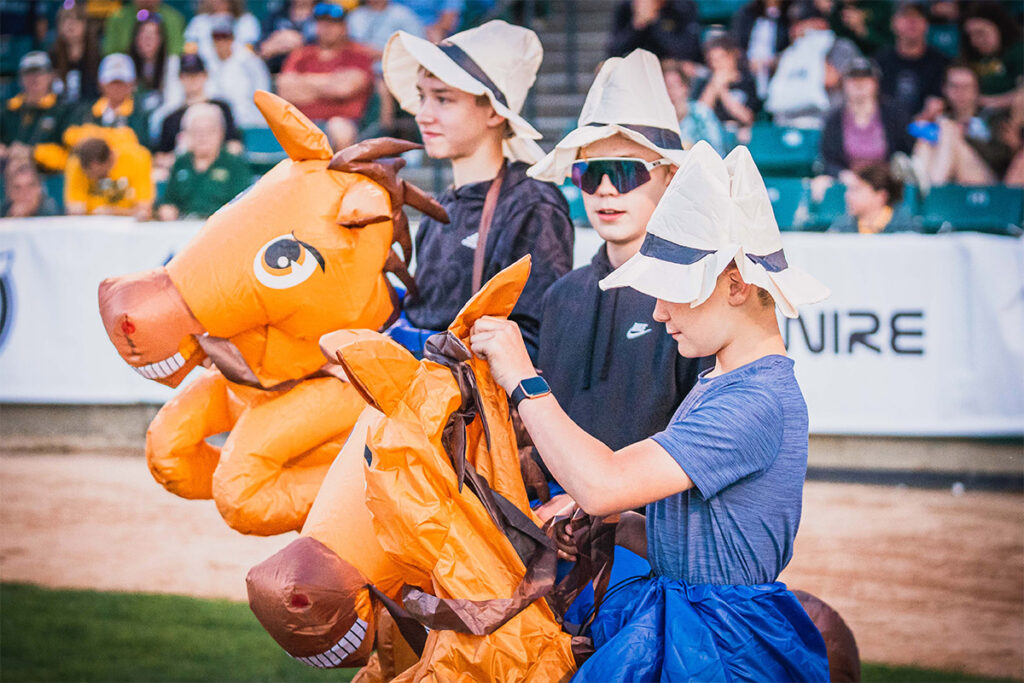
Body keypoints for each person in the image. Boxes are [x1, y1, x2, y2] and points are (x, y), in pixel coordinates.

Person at [468, 140, 831, 682]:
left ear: (735, 285)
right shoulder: (722, 381)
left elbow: (604, 482)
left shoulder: (753, 400)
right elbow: (704, 535)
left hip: (720, 649)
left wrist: (523, 377)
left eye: (673, 292)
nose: (658, 312)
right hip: (701, 627)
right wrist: (618, 526)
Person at [529, 48, 706, 478]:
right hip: (554, 525)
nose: (606, 189)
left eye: (627, 172)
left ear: (670, 177)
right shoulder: (561, 296)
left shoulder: (698, 294)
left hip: (649, 532)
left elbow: (695, 449)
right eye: (590, 172)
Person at [381, 20, 574, 359]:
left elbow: (535, 341)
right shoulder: (440, 205)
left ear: (494, 114)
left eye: (443, 99)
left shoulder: (532, 205)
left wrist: (410, 348)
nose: (423, 115)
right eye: (422, 97)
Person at [277, 3, 374, 150]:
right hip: (303, 121)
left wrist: (304, 84)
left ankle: (340, 173)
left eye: (333, 24)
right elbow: (284, 89)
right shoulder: (302, 54)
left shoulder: (357, 53)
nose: (327, 28)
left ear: (344, 27)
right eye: (322, 23)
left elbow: (343, 88)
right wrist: (331, 82)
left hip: (345, 122)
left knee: (339, 128)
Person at [911, 61, 1017, 186]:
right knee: (928, 136)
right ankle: (922, 186)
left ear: (977, 89)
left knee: (948, 130)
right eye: (954, 86)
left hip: (986, 184)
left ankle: (929, 191)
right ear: (944, 89)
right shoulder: (941, 117)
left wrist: (965, 136)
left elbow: (1000, 159)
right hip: (949, 179)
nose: (960, 93)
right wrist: (926, 117)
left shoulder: (993, 118)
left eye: (967, 87)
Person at [765, 1, 860, 129]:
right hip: (787, 123)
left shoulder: (841, 46)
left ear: (821, 23)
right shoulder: (788, 53)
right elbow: (774, 90)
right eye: (794, 24)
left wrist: (815, 44)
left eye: (803, 23)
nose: (797, 29)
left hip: (826, 123)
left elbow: (830, 79)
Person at [819, 57, 914, 178]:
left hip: (888, 183)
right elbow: (828, 161)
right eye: (853, 79)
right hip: (851, 183)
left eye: (865, 78)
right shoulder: (834, 119)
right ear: (844, 83)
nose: (859, 84)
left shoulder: (894, 114)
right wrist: (843, 175)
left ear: (876, 83)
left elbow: (906, 152)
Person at [156, 103, 252, 220]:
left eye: (209, 131)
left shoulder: (234, 163)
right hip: (183, 227)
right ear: (187, 134)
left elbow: (244, 204)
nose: (203, 137)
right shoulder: (181, 162)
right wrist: (166, 210)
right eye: (196, 131)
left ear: (221, 133)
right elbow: (168, 201)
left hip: (221, 227)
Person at [153, 53, 242, 173]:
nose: (192, 79)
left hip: (219, 171)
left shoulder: (222, 108)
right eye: (187, 75)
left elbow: (235, 146)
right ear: (180, 78)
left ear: (205, 76)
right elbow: (160, 157)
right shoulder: (170, 119)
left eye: (196, 75)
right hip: (185, 173)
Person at [874, 1, 948, 121]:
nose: (912, 21)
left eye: (918, 16)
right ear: (893, 22)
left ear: (927, 24)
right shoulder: (880, 61)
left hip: (927, 131)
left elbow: (937, 105)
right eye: (906, 15)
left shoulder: (941, 63)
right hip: (887, 131)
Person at [1, 52, 71, 171]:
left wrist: (32, 153)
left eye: (40, 72)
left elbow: (68, 157)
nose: (34, 78)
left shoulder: (63, 110)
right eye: (28, 73)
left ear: (50, 76)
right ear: (21, 78)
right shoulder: (8, 110)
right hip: (9, 177)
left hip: (51, 179)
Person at [202, 15, 271, 127]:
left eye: (225, 37)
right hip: (215, 124)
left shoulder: (248, 59)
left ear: (232, 38)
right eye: (216, 37)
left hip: (249, 122)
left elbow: (263, 91)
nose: (221, 42)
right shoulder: (206, 61)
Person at [64, 136, 154, 218]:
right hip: (91, 226)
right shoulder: (77, 164)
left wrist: (112, 212)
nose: (94, 178)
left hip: (126, 226)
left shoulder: (137, 158)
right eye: (90, 174)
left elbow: (144, 210)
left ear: (111, 157)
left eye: (99, 172)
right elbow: (75, 210)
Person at [79, 53, 151, 148]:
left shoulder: (141, 114)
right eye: (112, 82)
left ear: (132, 84)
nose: (117, 88)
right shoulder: (86, 112)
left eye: (122, 82)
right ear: (101, 84)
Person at [960, 1, 1024, 108]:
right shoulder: (970, 54)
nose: (974, 41)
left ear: (999, 27)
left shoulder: (1018, 50)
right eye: (970, 35)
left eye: (980, 33)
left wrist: (990, 102)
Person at [692, 33, 760, 132]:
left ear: (734, 55)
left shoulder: (747, 81)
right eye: (712, 60)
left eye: (722, 58)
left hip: (739, 133)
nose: (717, 64)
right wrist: (713, 87)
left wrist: (722, 90)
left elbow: (747, 118)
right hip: (711, 132)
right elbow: (699, 116)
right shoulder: (704, 82)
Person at [828, 161, 919, 234]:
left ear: (881, 196)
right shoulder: (841, 228)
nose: (848, 195)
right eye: (849, 190)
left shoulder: (906, 229)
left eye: (856, 189)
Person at [607, 0, 702, 66]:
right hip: (638, 66)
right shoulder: (626, 8)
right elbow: (614, 51)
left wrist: (655, 21)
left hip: (672, 67)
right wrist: (637, 26)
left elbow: (688, 52)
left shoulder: (682, 7)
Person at [662, 59, 727, 154]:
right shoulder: (655, 120)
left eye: (674, 86)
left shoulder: (701, 113)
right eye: (665, 88)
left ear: (686, 88)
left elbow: (717, 152)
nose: (670, 92)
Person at [731, 0, 791, 100]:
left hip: (778, 70)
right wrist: (748, 62)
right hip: (748, 69)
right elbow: (737, 44)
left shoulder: (788, 15)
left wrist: (775, 61)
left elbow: (791, 47)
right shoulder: (746, 13)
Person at [128, 13, 183, 122]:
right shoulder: (127, 64)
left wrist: (155, 119)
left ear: (161, 39)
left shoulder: (172, 63)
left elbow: (174, 102)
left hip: (162, 119)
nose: (148, 40)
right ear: (136, 38)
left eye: (153, 35)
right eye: (143, 35)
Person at [50, 3, 102, 105]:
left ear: (85, 24)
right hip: (60, 114)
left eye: (76, 19)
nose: (70, 24)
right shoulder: (52, 56)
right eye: (65, 20)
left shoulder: (97, 55)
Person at [185, 0, 262, 67]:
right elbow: (190, 55)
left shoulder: (247, 21)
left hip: (240, 74)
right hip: (206, 77)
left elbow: (251, 55)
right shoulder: (198, 22)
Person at [103, 0, 186, 56]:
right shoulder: (118, 18)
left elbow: (176, 53)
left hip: (164, 73)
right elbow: (111, 52)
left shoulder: (174, 18)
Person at [259, 0, 318, 74]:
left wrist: (300, 44)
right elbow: (262, 48)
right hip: (275, 71)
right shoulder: (278, 13)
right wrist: (277, 44)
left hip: (311, 74)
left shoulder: (324, 13)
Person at [393, 0, 462, 43]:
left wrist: (429, 31)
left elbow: (448, 20)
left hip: (432, 31)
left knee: (436, 36)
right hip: (401, 29)